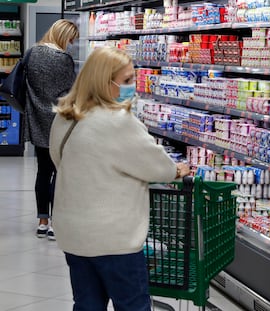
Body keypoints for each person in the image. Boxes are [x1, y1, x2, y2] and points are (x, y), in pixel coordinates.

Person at [49, 46, 191, 311]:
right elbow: (157, 166)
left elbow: (60, 161)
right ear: (105, 83)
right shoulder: (118, 121)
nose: (133, 86)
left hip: (73, 233)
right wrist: (177, 170)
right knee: (132, 305)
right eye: (126, 80)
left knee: (87, 304)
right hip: (113, 238)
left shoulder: (65, 116)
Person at [25, 19, 79, 240]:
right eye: (71, 39)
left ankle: (42, 222)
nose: (71, 44)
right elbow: (70, 90)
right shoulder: (63, 59)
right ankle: (56, 223)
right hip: (60, 123)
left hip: (36, 118)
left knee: (43, 172)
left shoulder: (31, 53)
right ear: (63, 36)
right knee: (60, 172)